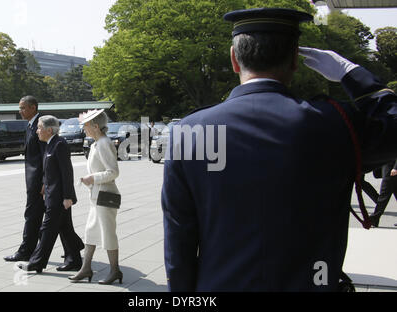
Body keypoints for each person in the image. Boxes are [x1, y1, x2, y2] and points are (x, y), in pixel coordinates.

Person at [161, 8, 397, 291]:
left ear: (234, 59)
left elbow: (179, 240)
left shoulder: (190, 131)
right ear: (296, 60)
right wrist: (351, 74)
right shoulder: (336, 123)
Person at [18, 115, 84, 273]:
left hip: (59, 197)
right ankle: (75, 257)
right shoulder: (49, 143)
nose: (37, 131)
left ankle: (36, 262)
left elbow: (67, 172)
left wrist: (68, 197)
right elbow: (49, 170)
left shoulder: (59, 144)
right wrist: (43, 185)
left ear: (49, 130)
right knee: (65, 229)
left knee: (46, 230)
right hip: (51, 195)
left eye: (39, 128)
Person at [69, 109, 123, 284]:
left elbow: (113, 172)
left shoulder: (104, 143)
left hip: (105, 196)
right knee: (90, 232)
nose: (84, 129)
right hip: (97, 196)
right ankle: (86, 268)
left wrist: (92, 178)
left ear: (96, 126)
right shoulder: (96, 144)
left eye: (86, 125)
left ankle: (115, 271)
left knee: (108, 234)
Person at [4, 96, 47, 262]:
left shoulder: (40, 126)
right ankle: (72, 248)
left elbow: (45, 155)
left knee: (32, 215)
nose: (20, 111)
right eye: (19, 107)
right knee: (49, 218)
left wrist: (44, 180)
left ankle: (25, 251)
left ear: (33, 108)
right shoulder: (30, 125)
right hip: (32, 179)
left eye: (23, 108)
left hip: (38, 181)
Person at [369, 160, 397, 227]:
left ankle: (374, 218)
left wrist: (396, 168)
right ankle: (374, 219)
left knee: (384, 193)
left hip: (391, 168)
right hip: (388, 166)